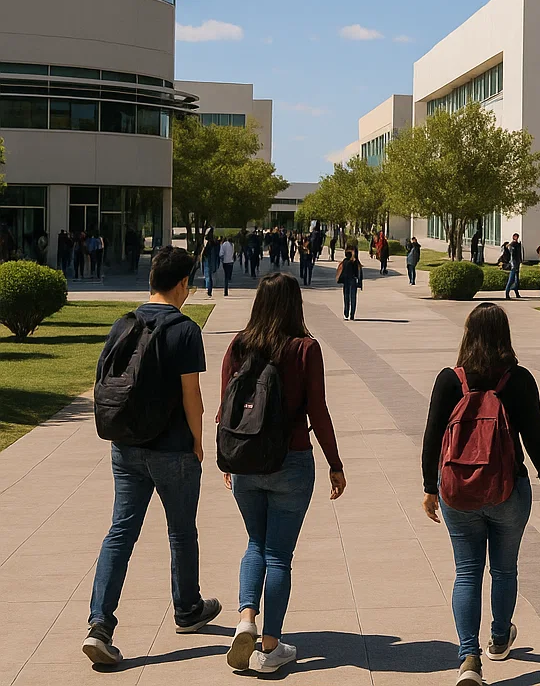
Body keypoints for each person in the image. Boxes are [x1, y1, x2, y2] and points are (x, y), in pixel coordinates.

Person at [84, 247, 222, 667]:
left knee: (120, 532)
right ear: (181, 285)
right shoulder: (185, 330)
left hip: (125, 446)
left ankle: (99, 625)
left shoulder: (123, 323)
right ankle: (187, 608)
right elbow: (191, 396)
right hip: (172, 449)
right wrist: (199, 442)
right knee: (181, 532)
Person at [423, 303, 540, 686]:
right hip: (507, 489)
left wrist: (430, 488)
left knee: (466, 572)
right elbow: (535, 437)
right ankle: (499, 639)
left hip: (457, 492)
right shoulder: (518, 380)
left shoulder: (450, 379)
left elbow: (432, 439)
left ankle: (468, 658)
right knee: (504, 568)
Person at [219, 272, 346, 675]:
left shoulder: (238, 345)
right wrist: (335, 463)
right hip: (291, 460)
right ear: (295, 304)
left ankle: (245, 620)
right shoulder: (305, 349)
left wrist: (228, 460)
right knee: (279, 555)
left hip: (245, 461)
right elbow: (318, 411)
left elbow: (225, 406)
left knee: (255, 543)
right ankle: (270, 647)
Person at [337, 247, 363, 321]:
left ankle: (346, 314)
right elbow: (359, 274)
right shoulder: (355, 262)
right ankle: (352, 315)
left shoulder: (345, 262)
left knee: (346, 298)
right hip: (353, 281)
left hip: (346, 282)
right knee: (353, 298)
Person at [506, 234, 524, 299]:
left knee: (517, 281)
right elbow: (512, 256)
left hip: (517, 263)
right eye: (515, 237)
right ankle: (507, 292)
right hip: (513, 264)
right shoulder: (512, 245)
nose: (516, 238)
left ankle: (516, 292)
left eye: (517, 237)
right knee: (511, 279)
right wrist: (513, 265)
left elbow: (519, 254)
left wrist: (521, 260)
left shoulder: (518, 245)